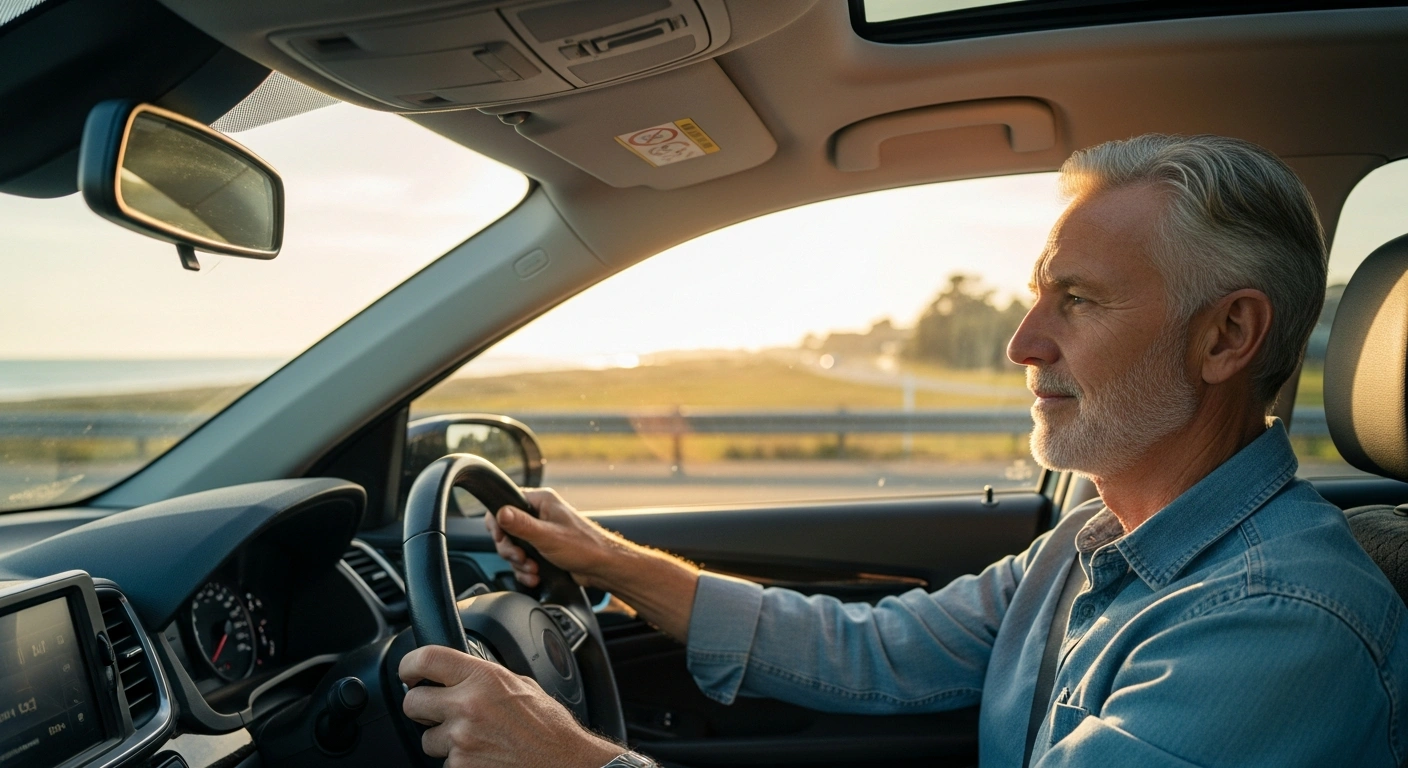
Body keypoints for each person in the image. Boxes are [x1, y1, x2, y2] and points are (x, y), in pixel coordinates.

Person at [397, 134, 1408, 767]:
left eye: (1080, 302)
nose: (1023, 344)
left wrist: (568, 761)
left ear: (1224, 337)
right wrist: (616, 563)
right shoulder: (1096, 538)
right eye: (1036, 295)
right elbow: (872, 652)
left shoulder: (1279, 628)